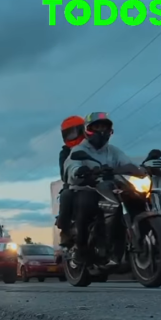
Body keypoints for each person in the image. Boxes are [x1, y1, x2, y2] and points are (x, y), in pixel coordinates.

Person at [62, 112, 137, 264]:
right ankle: (82, 248)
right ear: (88, 129)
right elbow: (71, 166)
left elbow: (126, 163)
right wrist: (79, 171)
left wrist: (141, 170)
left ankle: (125, 245)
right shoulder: (79, 150)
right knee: (86, 203)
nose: (101, 131)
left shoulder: (114, 151)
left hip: (109, 188)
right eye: (97, 127)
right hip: (87, 188)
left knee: (133, 198)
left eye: (104, 127)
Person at [56, 116, 85, 246]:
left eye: (74, 132)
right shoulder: (65, 152)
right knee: (66, 195)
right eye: (68, 133)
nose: (72, 136)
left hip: (100, 184)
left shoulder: (95, 147)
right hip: (75, 185)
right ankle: (65, 230)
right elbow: (64, 174)